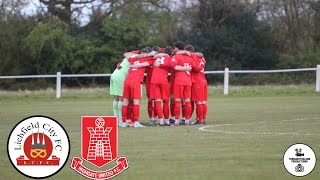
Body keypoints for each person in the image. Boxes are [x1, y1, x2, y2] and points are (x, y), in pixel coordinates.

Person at [121, 49, 156, 127]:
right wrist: (150, 55)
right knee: (136, 102)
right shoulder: (148, 59)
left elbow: (126, 54)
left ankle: (124, 122)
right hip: (135, 81)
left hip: (127, 80)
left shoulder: (133, 58)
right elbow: (148, 63)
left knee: (125, 102)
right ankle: (136, 122)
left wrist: (134, 62)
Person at [151, 46, 173, 126]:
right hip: (163, 80)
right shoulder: (169, 58)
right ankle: (167, 121)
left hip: (154, 80)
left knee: (157, 101)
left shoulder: (154, 58)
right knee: (166, 101)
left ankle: (160, 121)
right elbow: (171, 66)